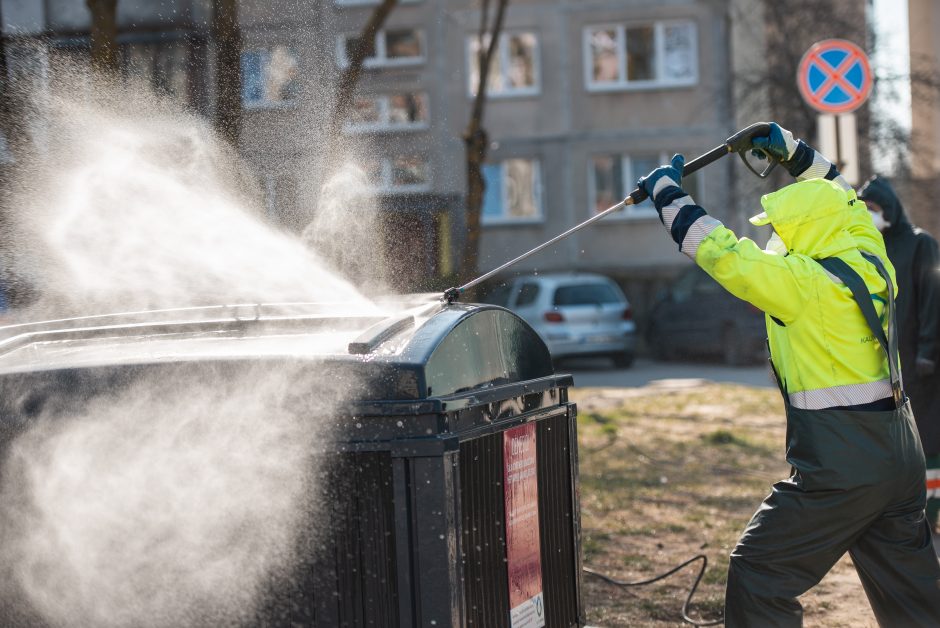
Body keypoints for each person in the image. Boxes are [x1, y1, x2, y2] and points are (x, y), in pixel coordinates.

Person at [636, 122, 940, 626]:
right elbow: (840, 196)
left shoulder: (802, 283)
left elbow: (721, 253)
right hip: (900, 454)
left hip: (842, 468)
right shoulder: (871, 255)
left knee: (758, 573)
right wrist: (791, 149)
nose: (774, 237)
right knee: (914, 599)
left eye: (779, 229)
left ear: (803, 231)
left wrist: (666, 192)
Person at [857, 174, 940, 531]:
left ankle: (931, 513)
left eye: (874, 207)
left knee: (928, 437)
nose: (870, 214)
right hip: (886, 364)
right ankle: (903, 511)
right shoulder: (868, 247)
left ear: (890, 208)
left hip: (921, 363)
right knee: (896, 441)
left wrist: (928, 350)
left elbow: (933, 300)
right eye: (865, 208)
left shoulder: (920, 244)